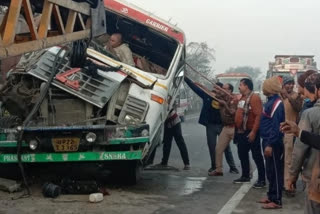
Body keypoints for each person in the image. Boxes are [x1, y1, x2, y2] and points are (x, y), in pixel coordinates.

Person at [185, 77, 237, 174]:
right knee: (212, 147)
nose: (215, 90)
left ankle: (233, 167)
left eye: (217, 89)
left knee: (226, 148)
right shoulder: (207, 96)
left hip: (223, 126)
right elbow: (195, 88)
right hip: (210, 126)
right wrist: (187, 79)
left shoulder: (227, 99)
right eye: (214, 88)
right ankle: (214, 167)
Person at [286, 73, 320, 214]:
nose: (304, 92)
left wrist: (292, 176)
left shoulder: (310, 114)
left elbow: (299, 149)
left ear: (316, 89)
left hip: (314, 178)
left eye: (306, 88)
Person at [233, 78, 266, 188]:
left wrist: (253, 132)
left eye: (241, 85)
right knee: (242, 154)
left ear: (247, 86)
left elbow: (258, 116)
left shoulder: (254, 98)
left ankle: (261, 179)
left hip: (251, 131)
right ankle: (245, 175)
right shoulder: (242, 98)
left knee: (256, 156)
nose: (239, 87)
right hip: (241, 131)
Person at [258, 76, 285, 209]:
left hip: (273, 143)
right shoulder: (270, 101)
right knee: (270, 171)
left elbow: (276, 126)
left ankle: (277, 199)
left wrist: (269, 144)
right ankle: (271, 195)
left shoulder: (276, 104)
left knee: (275, 171)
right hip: (267, 140)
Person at [209, 83, 239, 176]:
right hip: (225, 128)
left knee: (242, 150)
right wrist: (198, 85)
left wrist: (225, 105)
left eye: (224, 89)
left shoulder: (234, 99)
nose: (222, 90)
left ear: (230, 90)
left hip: (234, 127)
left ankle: (248, 171)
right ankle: (219, 170)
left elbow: (232, 113)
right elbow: (209, 93)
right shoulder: (221, 97)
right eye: (222, 89)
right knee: (218, 149)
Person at [280, 76, 303, 195]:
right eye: (287, 83)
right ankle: (282, 182)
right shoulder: (279, 96)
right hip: (279, 132)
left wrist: (287, 96)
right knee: (281, 160)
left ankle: (289, 186)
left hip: (290, 133)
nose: (289, 86)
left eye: (291, 83)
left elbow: (298, 107)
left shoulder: (296, 96)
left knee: (290, 160)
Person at [154, 104, 191, 170]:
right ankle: (164, 162)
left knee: (180, 143)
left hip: (175, 121)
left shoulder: (163, 102)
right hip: (168, 123)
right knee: (166, 143)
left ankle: (187, 164)